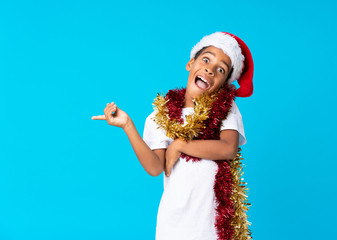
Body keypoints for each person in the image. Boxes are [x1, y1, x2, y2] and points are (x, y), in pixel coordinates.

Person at [91, 32, 254, 240]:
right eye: (206, 59)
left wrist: (179, 145)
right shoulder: (161, 115)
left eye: (220, 69)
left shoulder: (225, 109)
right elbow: (155, 167)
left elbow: (228, 148)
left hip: (213, 224)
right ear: (190, 63)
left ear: (224, 84)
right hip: (175, 224)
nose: (210, 70)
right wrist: (128, 125)